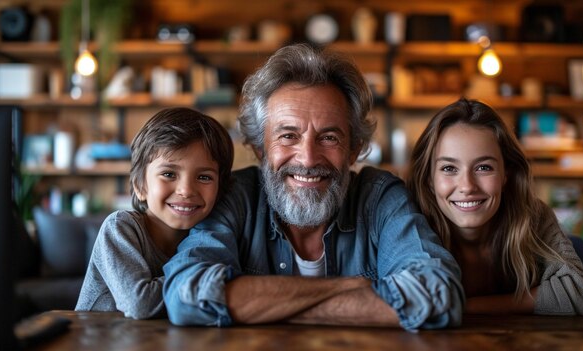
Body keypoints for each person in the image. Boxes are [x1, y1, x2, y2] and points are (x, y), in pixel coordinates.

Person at [163, 43, 464, 331]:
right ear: (259, 148)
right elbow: (185, 295)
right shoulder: (238, 197)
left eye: (329, 137)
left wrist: (266, 306)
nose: (307, 159)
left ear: (353, 150)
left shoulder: (380, 197)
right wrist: (347, 287)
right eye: (288, 136)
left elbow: (438, 295)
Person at [406, 98, 583, 315]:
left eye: (484, 167)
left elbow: (580, 294)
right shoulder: (410, 221)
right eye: (449, 168)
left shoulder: (533, 216)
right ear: (429, 178)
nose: (467, 186)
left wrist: (461, 308)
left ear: (506, 174)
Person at [76, 107, 234, 319]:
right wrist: (201, 279)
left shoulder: (209, 237)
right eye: (169, 174)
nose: (186, 190)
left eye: (204, 177)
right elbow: (140, 304)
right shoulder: (120, 228)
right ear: (140, 186)